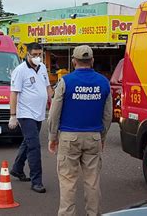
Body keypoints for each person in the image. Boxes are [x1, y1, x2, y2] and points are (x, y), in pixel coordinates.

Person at [47, 45, 112, 216]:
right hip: (94, 137)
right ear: (92, 61)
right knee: (92, 182)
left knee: (68, 182)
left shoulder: (66, 82)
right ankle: (94, 213)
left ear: (74, 61)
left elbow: (54, 113)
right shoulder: (103, 82)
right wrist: (102, 137)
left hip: (69, 138)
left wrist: (52, 137)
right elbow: (108, 115)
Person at [8, 42, 53, 193]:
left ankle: (17, 168)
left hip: (39, 113)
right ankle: (37, 181)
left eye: (39, 54)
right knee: (34, 145)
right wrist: (13, 116)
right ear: (27, 54)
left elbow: (48, 87)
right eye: (34, 55)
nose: (37, 57)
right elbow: (14, 93)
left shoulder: (43, 68)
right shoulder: (20, 71)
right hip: (25, 114)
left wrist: (54, 102)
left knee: (27, 143)